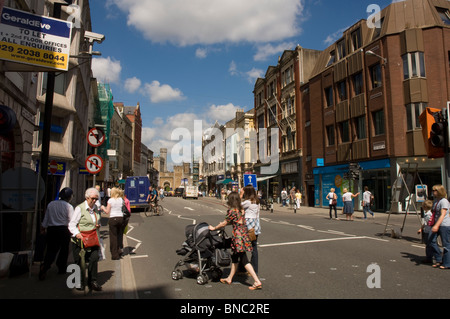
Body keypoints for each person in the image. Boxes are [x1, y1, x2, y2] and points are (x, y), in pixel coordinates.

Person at [209, 192, 262, 290]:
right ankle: (229, 278)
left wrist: (214, 228)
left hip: (238, 237)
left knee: (244, 259)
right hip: (243, 234)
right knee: (234, 257)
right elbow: (237, 222)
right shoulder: (241, 210)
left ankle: (256, 280)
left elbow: (224, 223)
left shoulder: (232, 211)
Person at [68, 187, 102, 291]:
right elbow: (72, 224)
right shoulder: (80, 208)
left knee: (94, 258)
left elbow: (96, 222)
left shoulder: (96, 208)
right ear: (87, 198)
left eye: (96, 199)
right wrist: (77, 234)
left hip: (93, 239)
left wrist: (97, 225)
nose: (95, 201)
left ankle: (92, 281)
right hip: (81, 240)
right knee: (79, 261)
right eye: (93, 198)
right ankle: (80, 282)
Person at [39, 187, 74, 280]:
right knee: (64, 249)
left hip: (51, 230)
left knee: (51, 249)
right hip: (63, 230)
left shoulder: (51, 204)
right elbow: (72, 220)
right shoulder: (69, 207)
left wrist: (43, 227)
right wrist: (73, 232)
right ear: (69, 197)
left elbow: (47, 217)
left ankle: (45, 265)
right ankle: (61, 267)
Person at [240, 186, 261, 274]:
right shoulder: (257, 201)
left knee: (241, 248)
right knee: (254, 248)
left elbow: (235, 205)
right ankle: (254, 269)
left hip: (248, 226)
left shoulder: (248, 202)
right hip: (255, 226)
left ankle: (242, 268)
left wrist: (240, 195)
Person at [429, 185, 450, 269]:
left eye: (435, 190)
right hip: (436, 224)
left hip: (444, 225)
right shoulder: (436, 201)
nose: (433, 192)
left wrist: (436, 225)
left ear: (439, 191)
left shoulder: (444, 201)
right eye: (433, 190)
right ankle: (439, 258)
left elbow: (443, 214)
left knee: (446, 245)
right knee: (431, 241)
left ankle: (447, 263)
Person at [101, 187, 124, 260]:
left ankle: (115, 255)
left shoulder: (110, 200)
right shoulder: (121, 199)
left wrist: (102, 208)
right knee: (119, 235)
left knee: (113, 237)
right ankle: (119, 249)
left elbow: (107, 211)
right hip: (121, 218)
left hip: (113, 218)